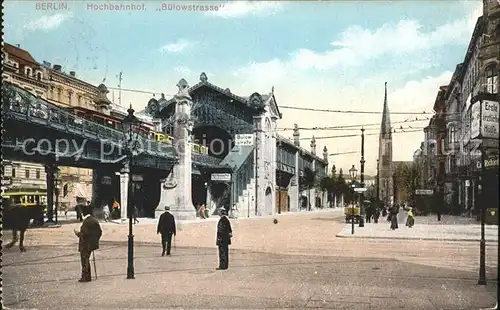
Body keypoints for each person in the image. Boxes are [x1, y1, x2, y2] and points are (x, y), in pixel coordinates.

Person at [74, 205, 102, 282]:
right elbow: (99, 232)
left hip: (85, 244)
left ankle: (86, 276)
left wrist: (77, 233)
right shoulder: (94, 220)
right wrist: (94, 241)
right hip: (91, 244)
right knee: (86, 259)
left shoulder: (86, 222)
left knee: (84, 260)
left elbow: (84, 234)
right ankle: (87, 276)